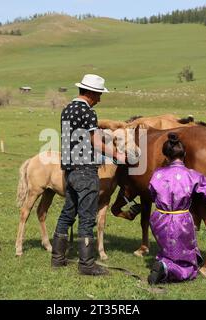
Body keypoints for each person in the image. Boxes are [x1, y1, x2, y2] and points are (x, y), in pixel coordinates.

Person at [51, 74, 126, 276]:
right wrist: (117, 154)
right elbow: (93, 141)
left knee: (68, 213)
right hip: (85, 170)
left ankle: (57, 259)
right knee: (86, 217)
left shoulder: (67, 109)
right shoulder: (88, 112)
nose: (100, 99)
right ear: (91, 93)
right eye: (99, 94)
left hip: (69, 170)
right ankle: (87, 264)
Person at [147, 133, 206, 285]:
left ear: (166, 156)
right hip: (180, 221)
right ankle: (167, 268)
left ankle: (164, 261)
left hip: (159, 219)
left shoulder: (157, 174)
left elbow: (151, 192)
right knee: (189, 267)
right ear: (185, 154)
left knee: (168, 249)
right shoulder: (192, 175)